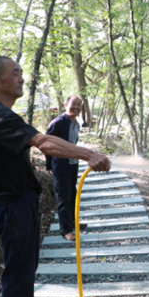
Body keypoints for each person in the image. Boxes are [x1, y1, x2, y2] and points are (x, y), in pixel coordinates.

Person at [0, 56, 110, 297]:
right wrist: (88, 154)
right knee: (17, 269)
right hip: (12, 206)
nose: (21, 78)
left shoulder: (1, 113)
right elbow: (44, 142)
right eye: (15, 73)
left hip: (21, 202)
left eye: (21, 72)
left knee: (27, 265)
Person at [45, 96, 88, 241]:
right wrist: (50, 165)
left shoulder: (76, 123)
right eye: (73, 104)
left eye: (79, 105)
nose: (76, 107)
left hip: (72, 163)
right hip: (60, 165)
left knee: (72, 194)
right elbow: (47, 144)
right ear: (65, 105)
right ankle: (66, 230)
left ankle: (73, 222)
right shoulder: (58, 123)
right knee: (63, 197)